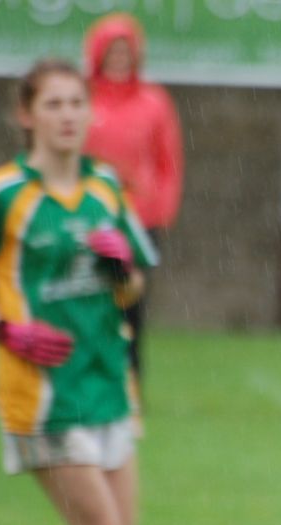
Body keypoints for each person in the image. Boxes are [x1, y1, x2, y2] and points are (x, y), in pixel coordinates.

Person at [0, 59, 160, 525]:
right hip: (42, 393)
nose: (67, 115)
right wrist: (2, 328)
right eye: (52, 104)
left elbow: (133, 286)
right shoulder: (1, 194)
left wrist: (121, 266)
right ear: (26, 115)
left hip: (108, 383)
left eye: (76, 103)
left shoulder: (107, 187)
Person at [82, 13, 183, 393]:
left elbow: (168, 160)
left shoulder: (153, 102)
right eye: (112, 51)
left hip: (138, 219)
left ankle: (131, 385)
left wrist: (163, 208)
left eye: (126, 51)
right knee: (89, 301)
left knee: (132, 305)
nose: (120, 58)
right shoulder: (83, 98)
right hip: (89, 216)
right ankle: (90, 380)